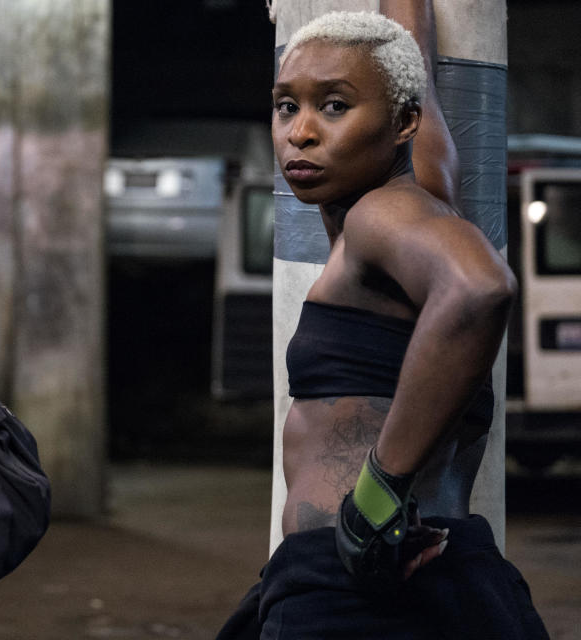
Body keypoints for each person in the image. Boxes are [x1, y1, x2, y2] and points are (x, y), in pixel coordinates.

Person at [216, 8, 549, 639]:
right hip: (402, 569)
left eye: (335, 107)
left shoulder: (381, 217)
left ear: (401, 124)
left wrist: (375, 497)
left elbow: (479, 288)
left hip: (366, 594)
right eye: (287, 107)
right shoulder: (420, 196)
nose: (301, 133)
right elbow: (406, 71)